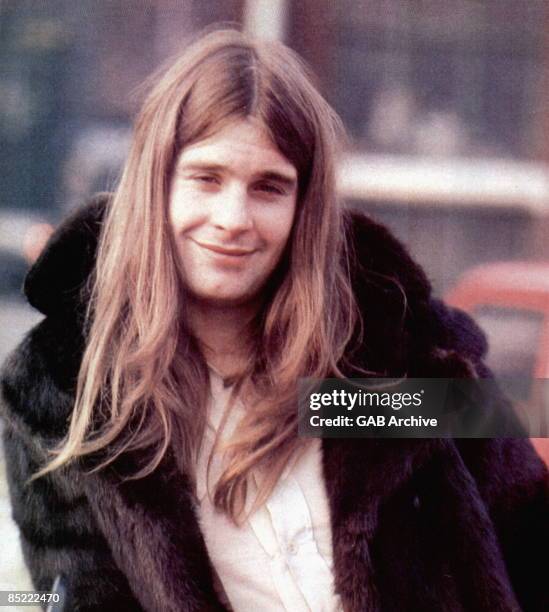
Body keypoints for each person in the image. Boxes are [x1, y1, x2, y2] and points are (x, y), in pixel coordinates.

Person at [1, 29, 547, 612]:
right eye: (206, 178)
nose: (233, 218)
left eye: (269, 187)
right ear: (155, 186)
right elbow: (67, 600)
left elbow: (531, 531)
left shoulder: (401, 352)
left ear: (302, 207)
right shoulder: (65, 391)